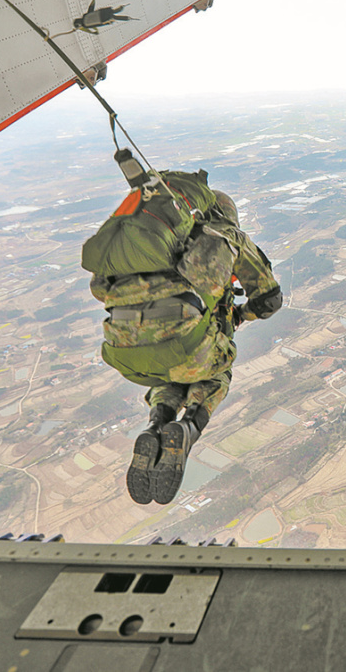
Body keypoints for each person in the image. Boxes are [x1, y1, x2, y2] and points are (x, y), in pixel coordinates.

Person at [85, 166, 281, 506]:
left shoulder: (137, 249)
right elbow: (269, 301)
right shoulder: (225, 235)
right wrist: (239, 314)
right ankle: (188, 426)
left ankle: (156, 422)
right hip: (186, 350)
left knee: (172, 366)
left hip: (124, 353)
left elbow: (100, 289)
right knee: (214, 371)